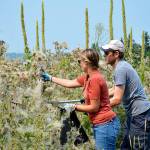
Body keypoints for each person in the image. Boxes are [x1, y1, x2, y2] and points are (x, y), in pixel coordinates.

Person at [41, 49, 120, 149]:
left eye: (79, 61)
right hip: (101, 124)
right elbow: (70, 83)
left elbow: (94, 108)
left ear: (86, 62)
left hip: (105, 125)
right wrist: (50, 78)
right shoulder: (88, 77)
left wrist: (74, 107)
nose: (79, 63)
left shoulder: (95, 79)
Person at [102, 40, 150, 150]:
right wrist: (96, 97)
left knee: (139, 147)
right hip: (134, 116)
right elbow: (115, 89)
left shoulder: (121, 69)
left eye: (106, 52)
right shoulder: (121, 66)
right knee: (126, 147)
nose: (104, 55)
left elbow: (117, 99)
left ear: (116, 54)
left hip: (140, 116)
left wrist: (98, 107)